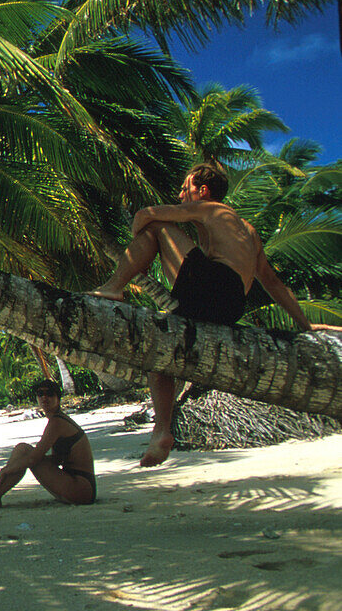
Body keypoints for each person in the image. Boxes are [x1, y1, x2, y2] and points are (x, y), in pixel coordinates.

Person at [88, 162, 320, 467]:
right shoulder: (248, 231)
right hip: (230, 305)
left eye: (186, 189)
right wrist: (306, 325)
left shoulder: (210, 209)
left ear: (203, 191)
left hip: (213, 285)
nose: (181, 195)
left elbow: (147, 214)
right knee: (160, 355)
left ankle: (112, 287)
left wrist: (138, 239)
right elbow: (274, 284)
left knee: (157, 227)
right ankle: (161, 431)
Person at [0, 379, 96, 510]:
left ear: (58, 398)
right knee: (23, 450)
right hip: (80, 489)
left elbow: (34, 458)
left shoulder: (57, 423)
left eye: (50, 393)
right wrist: (14, 466)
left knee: (23, 450)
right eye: (40, 394)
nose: (44, 397)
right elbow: (57, 459)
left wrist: (6, 470)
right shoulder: (57, 420)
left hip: (81, 489)